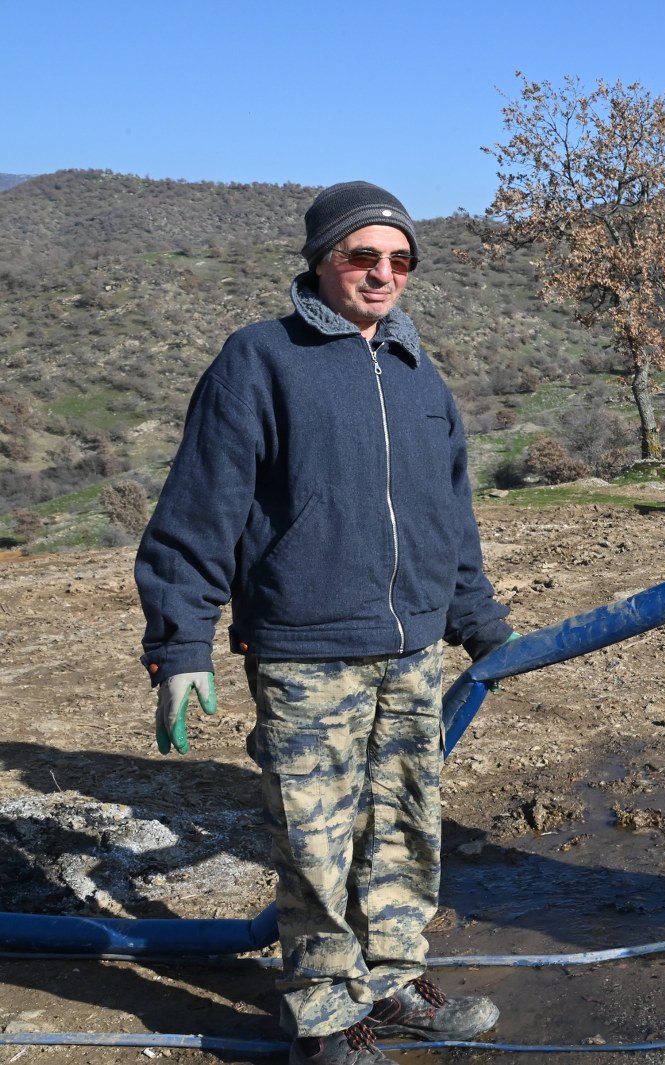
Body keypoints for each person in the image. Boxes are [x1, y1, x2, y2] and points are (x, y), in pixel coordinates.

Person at [135, 181, 513, 1065]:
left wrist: (480, 620)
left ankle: (393, 981)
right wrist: (181, 644)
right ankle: (321, 1011)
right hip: (306, 651)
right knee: (315, 838)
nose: (382, 274)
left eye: (400, 260)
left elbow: (450, 519)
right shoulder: (259, 360)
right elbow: (199, 514)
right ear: (321, 260)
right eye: (362, 256)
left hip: (412, 653)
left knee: (407, 825)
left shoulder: (423, 376)